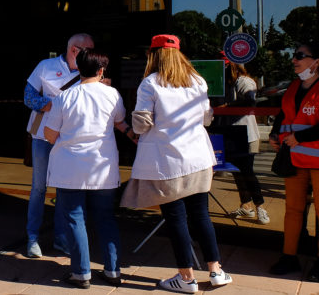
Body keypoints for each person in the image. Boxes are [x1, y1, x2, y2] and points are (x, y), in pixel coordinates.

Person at [121, 34, 232, 293]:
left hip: (168, 161)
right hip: (200, 158)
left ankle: (186, 278)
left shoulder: (149, 83)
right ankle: (216, 272)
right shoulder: (197, 80)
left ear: (154, 54)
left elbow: (141, 124)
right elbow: (207, 118)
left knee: (176, 218)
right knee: (201, 215)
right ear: (179, 54)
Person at [43, 49, 136, 288]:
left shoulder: (64, 97)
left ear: (78, 69)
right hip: (103, 167)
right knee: (106, 218)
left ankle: (81, 273)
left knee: (75, 220)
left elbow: (50, 135)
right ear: (101, 70)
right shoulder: (112, 94)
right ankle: (113, 270)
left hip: (69, 168)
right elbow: (119, 121)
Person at [23, 33, 94, 258]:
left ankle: (61, 240)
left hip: (70, 140)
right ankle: (32, 238)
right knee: (39, 188)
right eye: (88, 50)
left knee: (66, 190)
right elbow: (28, 97)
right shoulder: (45, 66)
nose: (91, 55)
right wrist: (56, 106)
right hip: (43, 138)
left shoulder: (89, 70)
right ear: (74, 50)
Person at [267, 42, 319, 281]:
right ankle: (289, 257)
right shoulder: (293, 87)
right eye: (293, 55)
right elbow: (283, 115)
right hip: (294, 160)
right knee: (293, 211)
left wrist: (299, 137)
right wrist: (274, 134)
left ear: (316, 61)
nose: (293, 59)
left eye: (300, 56)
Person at [221, 60, 269, 224]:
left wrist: (227, 106)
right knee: (238, 173)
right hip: (233, 133)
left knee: (247, 173)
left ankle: (260, 207)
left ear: (230, 67)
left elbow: (250, 100)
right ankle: (246, 206)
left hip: (245, 134)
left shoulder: (243, 81)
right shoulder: (228, 83)